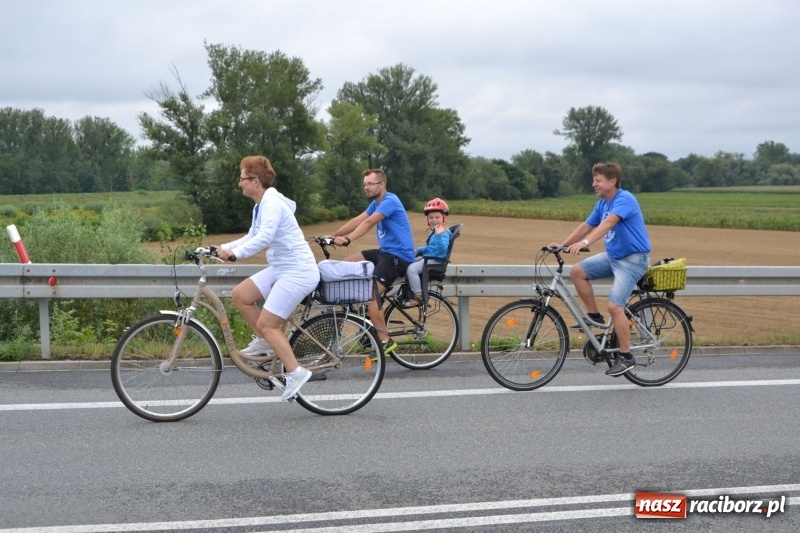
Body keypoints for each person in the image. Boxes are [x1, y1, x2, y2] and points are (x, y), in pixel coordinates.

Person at [216, 156, 320, 401]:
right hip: (282, 267)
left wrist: (235, 255)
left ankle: (295, 372)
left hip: (298, 271)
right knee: (241, 295)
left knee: (268, 323)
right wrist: (222, 247)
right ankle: (265, 342)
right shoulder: (260, 205)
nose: (239, 183)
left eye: (242, 179)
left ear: (255, 181)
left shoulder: (272, 202)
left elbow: (263, 238)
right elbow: (251, 235)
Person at [551, 162, 651, 377]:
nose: (593, 184)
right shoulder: (602, 204)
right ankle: (594, 316)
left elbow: (608, 224)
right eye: (594, 179)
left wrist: (585, 243)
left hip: (633, 260)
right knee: (577, 272)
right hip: (614, 257)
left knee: (615, 307)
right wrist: (564, 245)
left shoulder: (624, 199)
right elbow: (587, 225)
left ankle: (626, 357)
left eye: (598, 180)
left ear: (612, 181)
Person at [328, 169, 416, 354]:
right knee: (346, 265)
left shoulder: (390, 201)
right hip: (385, 253)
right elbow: (358, 220)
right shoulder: (376, 204)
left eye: (370, 184)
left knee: (371, 296)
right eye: (364, 184)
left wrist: (347, 239)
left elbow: (368, 224)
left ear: (381, 185)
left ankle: (384, 340)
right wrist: (334, 235)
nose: (366, 187)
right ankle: (368, 320)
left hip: (398, 258)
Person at [403, 198, 451, 308]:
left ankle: (417, 296)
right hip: (431, 258)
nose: (434, 220)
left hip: (435, 261)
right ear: (427, 220)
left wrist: (438, 235)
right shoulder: (435, 232)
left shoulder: (442, 232)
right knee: (408, 262)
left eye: (437, 217)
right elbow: (430, 248)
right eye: (431, 217)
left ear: (443, 218)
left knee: (412, 269)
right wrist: (418, 251)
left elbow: (443, 249)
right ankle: (408, 293)